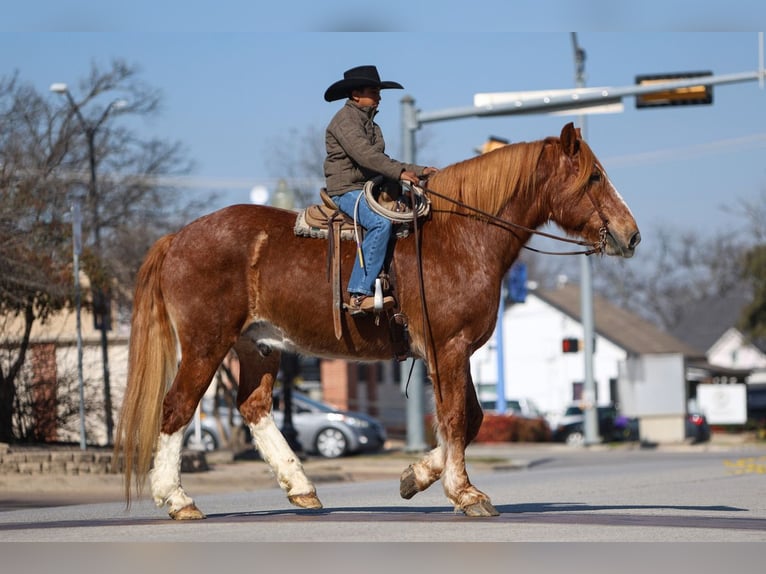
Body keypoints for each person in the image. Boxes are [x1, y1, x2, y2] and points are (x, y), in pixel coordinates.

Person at [323, 65, 438, 315]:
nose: (379, 96)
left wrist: (419, 170)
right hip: (347, 190)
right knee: (379, 224)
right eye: (374, 91)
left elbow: (383, 159)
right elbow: (367, 157)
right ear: (356, 94)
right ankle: (359, 293)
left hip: (368, 187)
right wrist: (399, 173)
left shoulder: (371, 125)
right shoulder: (344, 121)